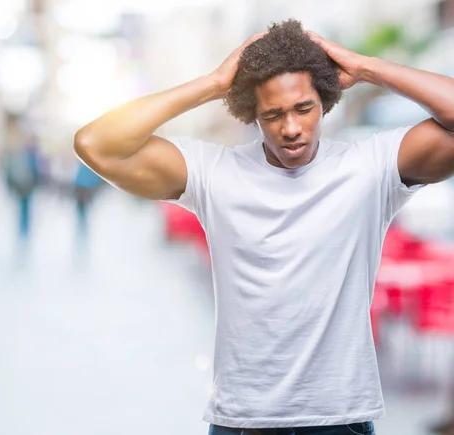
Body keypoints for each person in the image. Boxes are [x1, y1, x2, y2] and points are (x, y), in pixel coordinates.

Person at [74, 19, 454, 435]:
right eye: (272, 114)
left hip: (338, 419)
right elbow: (95, 143)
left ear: (325, 101)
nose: (290, 128)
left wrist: (366, 69)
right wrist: (215, 83)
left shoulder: (370, 168)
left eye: (303, 108)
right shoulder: (213, 172)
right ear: (251, 114)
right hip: (243, 422)